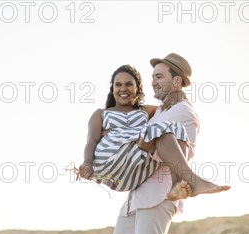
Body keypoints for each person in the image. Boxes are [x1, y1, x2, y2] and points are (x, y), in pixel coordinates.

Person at [107, 53, 223, 234]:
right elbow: (130, 111)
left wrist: (147, 144)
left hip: (161, 193)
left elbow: (181, 149)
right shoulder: (161, 109)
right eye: (152, 78)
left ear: (177, 81)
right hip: (139, 191)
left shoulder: (184, 111)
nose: (154, 82)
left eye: (159, 77)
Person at [79, 65, 229, 200]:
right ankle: (193, 180)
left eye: (129, 84)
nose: (123, 88)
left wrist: (180, 95)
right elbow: (91, 140)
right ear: (112, 89)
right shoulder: (101, 113)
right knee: (159, 129)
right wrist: (87, 163)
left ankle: (176, 184)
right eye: (118, 85)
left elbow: (165, 106)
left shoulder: (145, 111)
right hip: (109, 164)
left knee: (175, 128)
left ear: (137, 88)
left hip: (133, 170)